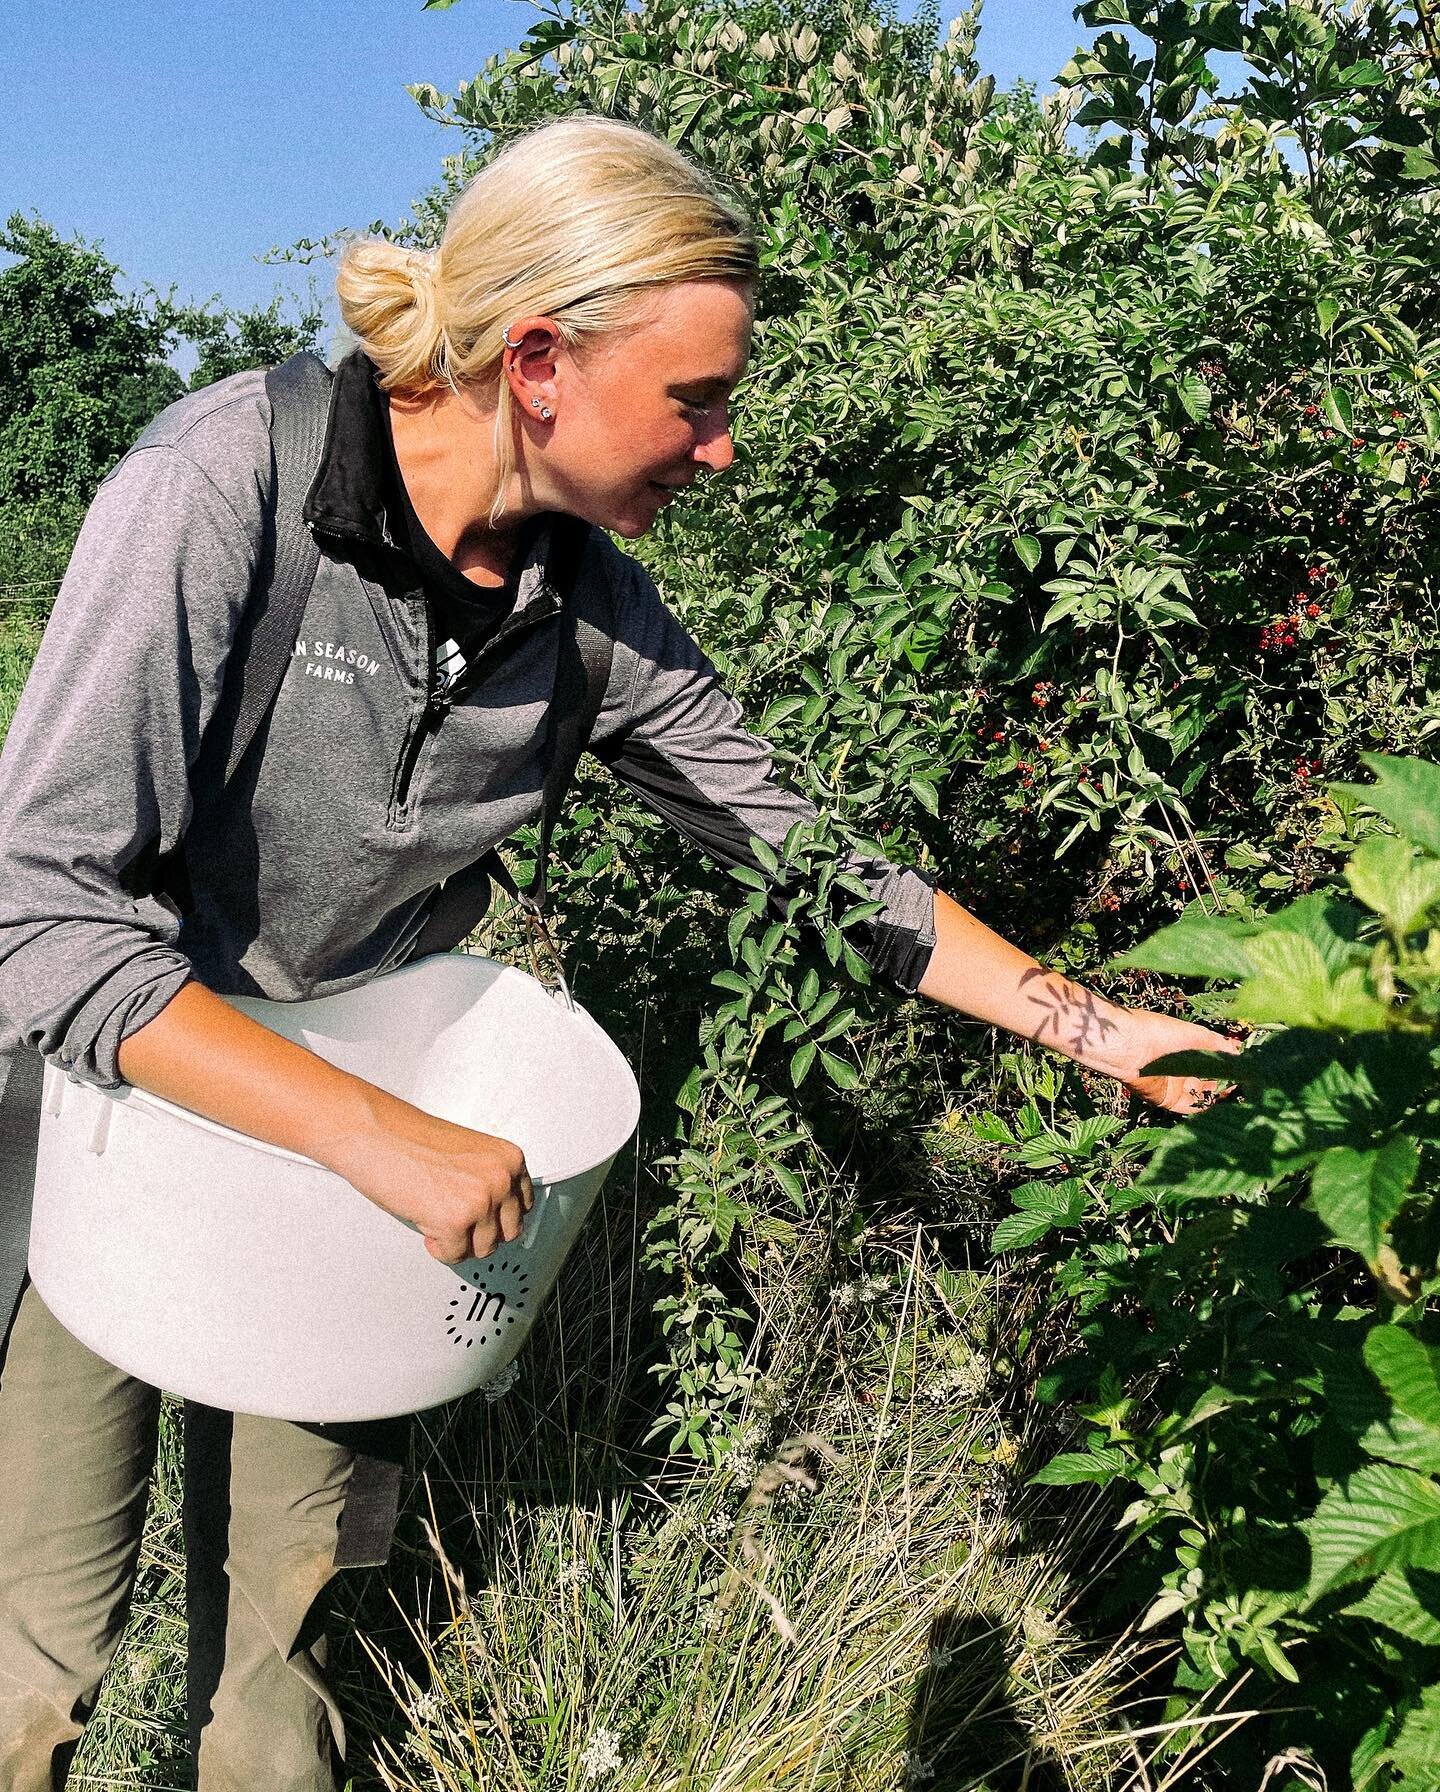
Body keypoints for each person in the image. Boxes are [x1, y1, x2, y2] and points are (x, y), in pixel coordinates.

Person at [0, 114, 1237, 1790]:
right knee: (42, 1645)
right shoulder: (223, 492)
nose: (721, 450)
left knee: (278, 1662)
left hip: (360, 1164)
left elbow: (817, 868)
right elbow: (42, 912)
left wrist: (1102, 1036)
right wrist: (380, 1133)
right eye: (697, 400)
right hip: (132, 1109)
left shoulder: (586, 612)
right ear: (537, 364)